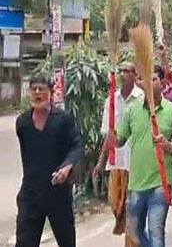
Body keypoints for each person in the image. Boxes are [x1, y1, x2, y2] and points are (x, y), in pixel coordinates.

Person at [116, 65, 172, 247]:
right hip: (136, 181)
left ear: (163, 83)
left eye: (153, 79)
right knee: (133, 229)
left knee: (155, 230)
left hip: (161, 182)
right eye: (145, 79)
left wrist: (165, 143)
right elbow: (120, 140)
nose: (149, 83)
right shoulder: (131, 110)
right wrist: (112, 139)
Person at [15, 74, 84, 247]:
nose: (37, 93)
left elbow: (77, 145)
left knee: (66, 241)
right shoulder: (22, 123)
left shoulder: (63, 120)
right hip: (31, 194)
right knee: (24, 241)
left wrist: (66, 167)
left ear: (50, 93)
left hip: (57, 192)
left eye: (42, 89)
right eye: (33, 89)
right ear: (29, 93)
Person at [94, 62, 145, 247]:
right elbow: (109, 133)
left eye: (128, 71)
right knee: (116, 206)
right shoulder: (111, 101)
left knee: (132, 210)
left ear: (135, 74)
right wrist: (100, 162)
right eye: (121, 71)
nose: (123, 74)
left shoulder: (142, 99)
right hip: (116, 162)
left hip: (137, 163)